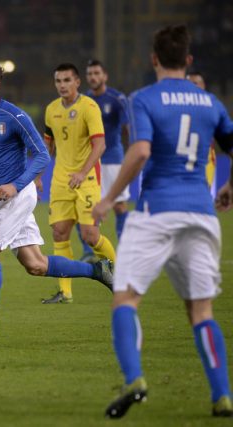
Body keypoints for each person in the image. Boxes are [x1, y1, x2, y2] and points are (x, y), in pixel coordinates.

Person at [92, 24, 233, 418]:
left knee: (126, 298)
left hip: (156, 211)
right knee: (201, 311)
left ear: (154, 59)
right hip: (201, 213)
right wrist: (229, 187)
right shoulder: (210, 102)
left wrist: (107, 198)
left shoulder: (143, 99)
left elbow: (139, 152)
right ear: (188, 61)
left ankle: (135, 377)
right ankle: (222, 396)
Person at [0, 61, 114, 343]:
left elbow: (41, 154)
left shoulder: (14, 116)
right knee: (36, 264)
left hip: (18, 193)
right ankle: (97, 270)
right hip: (4, 195)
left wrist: (16, 185)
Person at [41, 63, 117, 304]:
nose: (62, 85)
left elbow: (100, 145)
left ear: (77, 82)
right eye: (58, 81)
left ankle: (120, 278)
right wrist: (36, 175)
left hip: (87, 180)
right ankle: (65, 292)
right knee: (59, 233)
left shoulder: (89, 107)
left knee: (91, 235)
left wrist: (83, 173)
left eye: (66, 80)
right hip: (61, 181)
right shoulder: (51, 110)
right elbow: (47, 146)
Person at [74, 60, 130, 263]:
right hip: (89, 162)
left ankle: (124, 250)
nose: (93, 77)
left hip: (113, 159)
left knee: (119, 205)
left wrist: (132, 151)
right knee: (82, 206)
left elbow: (128, 127)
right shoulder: (82, 100)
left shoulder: (116, 98)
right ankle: (88, 252)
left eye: (97, 73)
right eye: (89, 74)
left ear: (105, 76)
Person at [187, 70, 218, 198]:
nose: (192, 87)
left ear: (203, 86)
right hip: (183, 158)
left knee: (202, 197)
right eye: (189, 84)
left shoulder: (212, 106)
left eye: (195, 83)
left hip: (204, 159)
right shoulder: (179, 105)